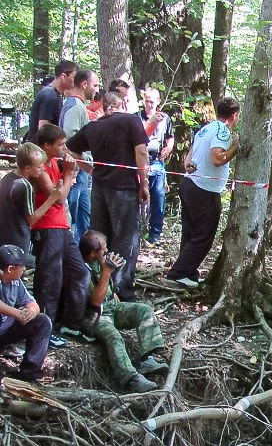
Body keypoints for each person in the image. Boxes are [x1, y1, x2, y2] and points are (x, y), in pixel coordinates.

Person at [65, 92, 149, 302]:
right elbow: (142, 152)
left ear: (104, 106)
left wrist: (92, 170)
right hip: (123, 188)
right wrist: (144, 183)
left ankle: (93, 285)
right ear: (123, 104)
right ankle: (120, 290)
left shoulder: (93, 127)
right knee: (125, 238)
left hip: (100, 189)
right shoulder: (131, 120)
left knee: (98, 237)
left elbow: (70, 148)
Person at [79, 231, 168, 392]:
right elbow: (95, 301)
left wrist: (112, 287)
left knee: (144, 311)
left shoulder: (100, 262)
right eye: (103, 250)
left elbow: (108, 289)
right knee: (114, 336)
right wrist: (107, 272)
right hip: (95, 315)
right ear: (92, 253)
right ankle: (131, 378)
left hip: (112, 306)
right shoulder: (81, 269)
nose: (106, 253)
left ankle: (147, 359)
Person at [166, 97, 240, 288]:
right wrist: (236, 148)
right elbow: (217, 159)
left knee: (190, 232)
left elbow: (190, 153)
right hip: (204, 189)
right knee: (203, 236)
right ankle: (178, 273)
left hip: (191, 183)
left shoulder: (207, 128)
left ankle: (189, 272)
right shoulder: (223, 131)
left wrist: (187, 164)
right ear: (234, 115)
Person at [31, 124, 89, 343]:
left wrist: (70, 172)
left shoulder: (55, 163)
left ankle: (71, 324)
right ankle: (46, 329)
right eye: (61, 145)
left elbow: (64, 187)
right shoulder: (40, 169)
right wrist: (67, 174)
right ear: (46, 146)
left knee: (79, 273)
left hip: (62, 227)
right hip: (46, 228)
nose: (65, 149)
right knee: (50, 280)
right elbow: (60, 197)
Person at [0, 143, 63, 259]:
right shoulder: (26, 186)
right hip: (17, 239)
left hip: (4, 237)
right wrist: (52, 198)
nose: (43, 169)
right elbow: (31, 219)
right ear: (28, 168)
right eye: (39, 167)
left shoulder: (6, 179)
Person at [0, 245, 52, 382]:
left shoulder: (16, 282)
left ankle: (29, 374)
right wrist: (16, 313)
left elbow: (32, 304)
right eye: (21, 266)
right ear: (10, 268)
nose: (24, 269)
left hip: (5, 330)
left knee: (42, 321)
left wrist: (30, 313)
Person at [60, 69, 100, 244]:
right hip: (76, 173)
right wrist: (86, 167)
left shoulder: (75, 105)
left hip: (79, 172)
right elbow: (69, 142)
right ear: (84, 84)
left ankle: (82, 260)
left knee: (84, 219)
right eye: (95, 85)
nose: (97, 90)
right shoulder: (76, 106)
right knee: (75, 219)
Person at [140, 87, 175, 244]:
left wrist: (168, 148)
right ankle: (137, 231)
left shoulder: (165, 118)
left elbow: (170, 136)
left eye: (152, 101)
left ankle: (155, 233)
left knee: (158, 197)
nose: (149, 104)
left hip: (157, 162)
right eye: (146, 101)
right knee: (137, 196)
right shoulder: (137, 117)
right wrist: (150, 121)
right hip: (139, 162)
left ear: (158, 102)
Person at [26, 60, 77, 144]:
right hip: (40, 150)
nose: (75, 81)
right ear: (63, 76)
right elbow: (43, 127)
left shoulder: (54, 95)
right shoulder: (49, 95)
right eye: (74, 77)